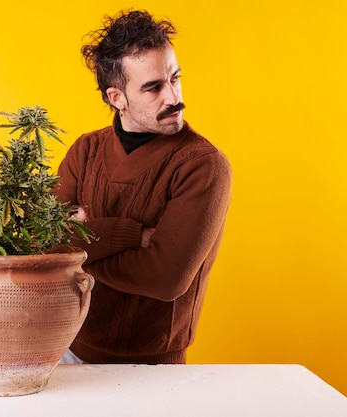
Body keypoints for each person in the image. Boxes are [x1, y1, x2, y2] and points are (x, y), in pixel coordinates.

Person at [55, 9, 232, 364]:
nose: (173, 97)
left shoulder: (203, 165)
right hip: (68, 354)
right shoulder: (85, 151)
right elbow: (43, 242)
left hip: (154, 368)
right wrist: (130, 235)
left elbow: (166, 279)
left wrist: (78, 249)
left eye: (175, 78)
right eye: (153, 87)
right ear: (116, 98)